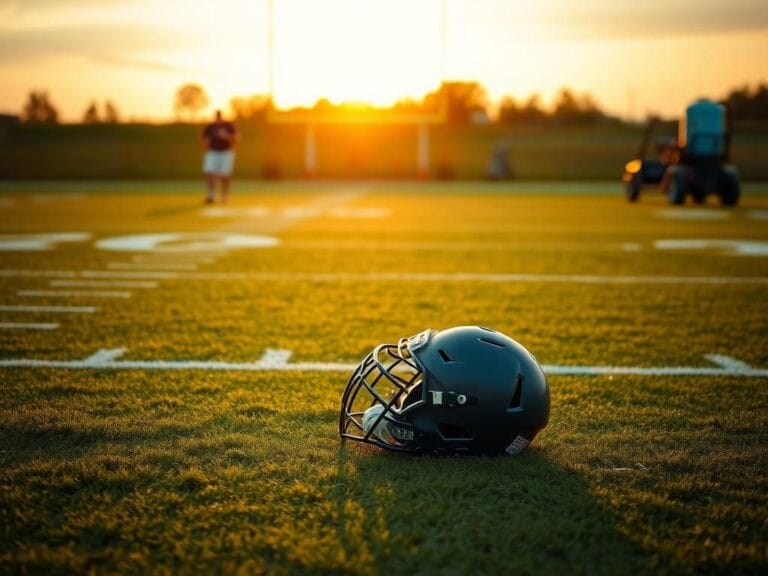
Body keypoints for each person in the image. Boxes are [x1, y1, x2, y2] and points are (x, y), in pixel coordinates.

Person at [201, 110, 238, 204]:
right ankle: (211, 194)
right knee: (210, 173)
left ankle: (224, 195)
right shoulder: (210, 127)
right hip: (212, 152)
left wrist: (226, 136)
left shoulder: (228, 126)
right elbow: (203, 137)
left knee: (225, 175)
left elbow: (237, 138)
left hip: (226, 153)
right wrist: (206, 145)